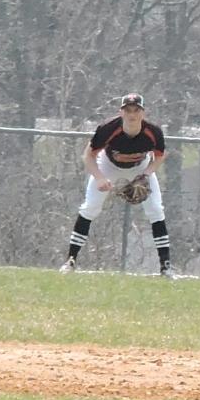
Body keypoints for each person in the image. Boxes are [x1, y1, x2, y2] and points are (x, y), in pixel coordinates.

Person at [60, 92, 173, 277]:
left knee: (155, 210)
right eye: (128, 110)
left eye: (136, 110)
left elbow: (160, 156)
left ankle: (166, 267)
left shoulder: (153, 132)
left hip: (140, 167)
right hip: (108, 165)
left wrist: (146, 174)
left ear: (143, 113)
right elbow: (88, 155)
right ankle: (70, 261)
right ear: (121, 112)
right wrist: (99, 177)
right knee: (90, 208)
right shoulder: (108, 129)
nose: (132, 114)